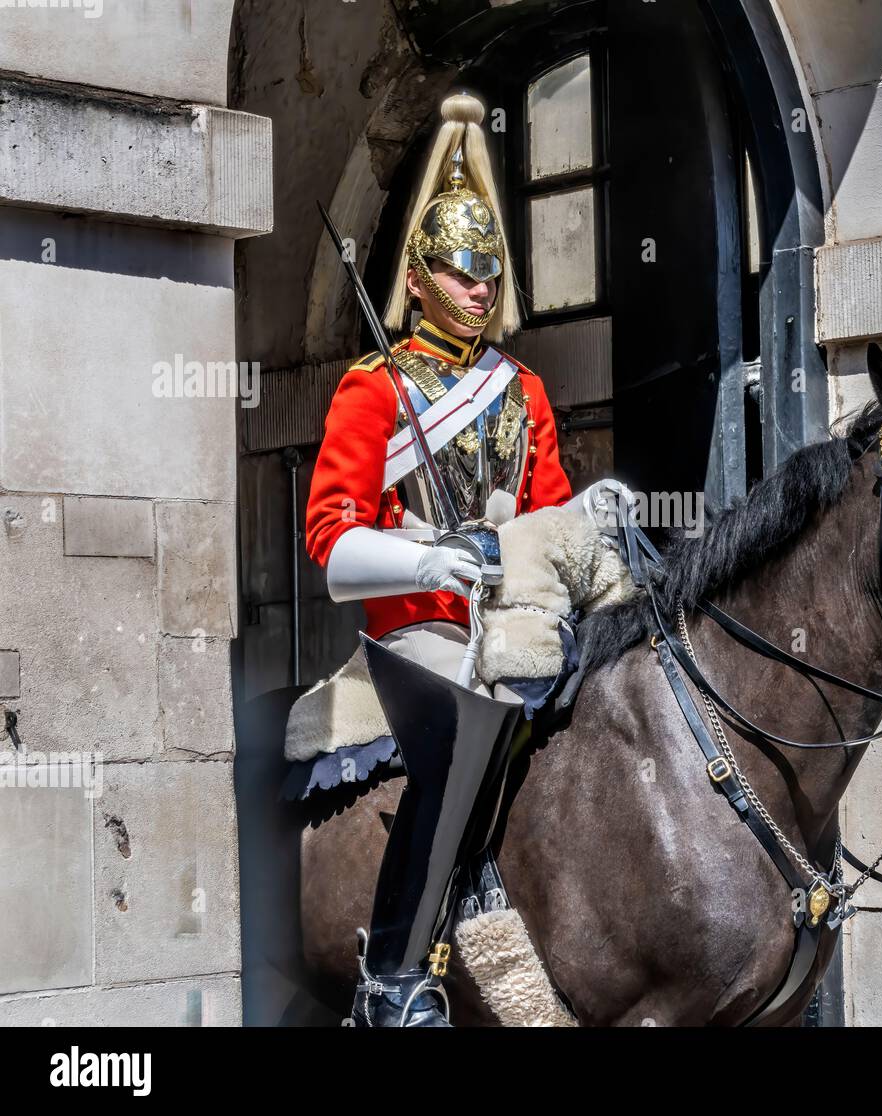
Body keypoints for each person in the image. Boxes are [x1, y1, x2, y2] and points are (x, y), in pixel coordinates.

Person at [303, 92, 572, 1027]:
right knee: (463, 725)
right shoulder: (374, 388)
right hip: (413, 632)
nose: (479, 288)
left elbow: (552, 517)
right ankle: (394, 973)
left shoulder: (521, 391)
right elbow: (332, 544)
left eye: (489, 271)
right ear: (416, 279)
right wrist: (430, 565)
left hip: (510, 620)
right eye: (459, 272)